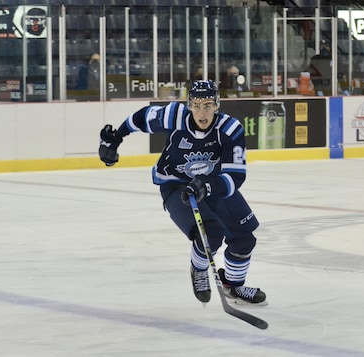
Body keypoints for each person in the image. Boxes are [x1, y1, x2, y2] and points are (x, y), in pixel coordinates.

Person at [98, 79, 267, 305]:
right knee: (210, 233)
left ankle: (234, 286)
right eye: (196, 105)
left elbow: (236, 176)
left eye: (207, 105)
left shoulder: (229, 129)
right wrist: (116, 137)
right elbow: (141, 117)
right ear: (189, 105)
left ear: (217, 105)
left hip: (212, 184)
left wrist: (206, 185)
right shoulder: (173, 116)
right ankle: (199, 270)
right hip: (174, 183)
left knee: (244, 239)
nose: (202, 112)